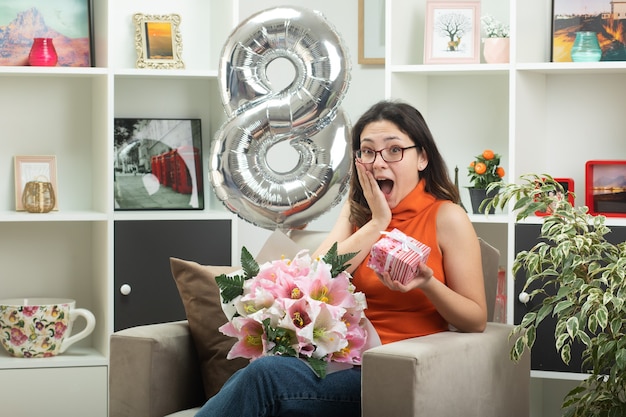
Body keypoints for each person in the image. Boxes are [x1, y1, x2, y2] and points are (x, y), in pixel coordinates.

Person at [195, 100, 487, 417]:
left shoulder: (447, 217)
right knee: (258, 374)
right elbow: (314, 276)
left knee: (264, 378)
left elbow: (476, 319)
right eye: (368, 151)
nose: (379, 162)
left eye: (393, 150)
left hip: (393, 375)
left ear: (422, 157)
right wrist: (377, 222)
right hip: (340, 362)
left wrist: (428, 284)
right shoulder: (360, 215)